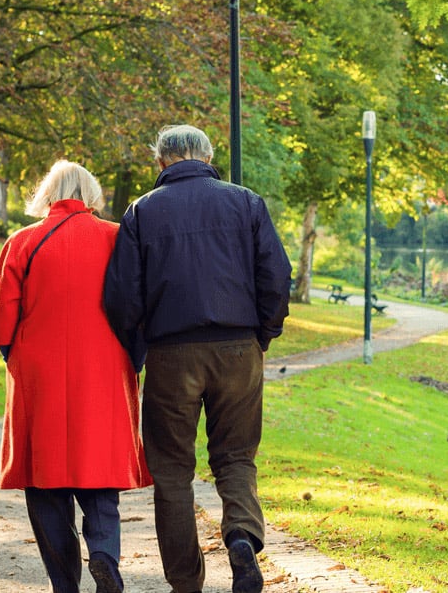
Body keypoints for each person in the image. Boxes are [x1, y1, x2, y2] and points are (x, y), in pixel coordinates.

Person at [103, 125, 292, 593]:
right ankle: (242, 537)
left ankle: (186, 582)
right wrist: (263, 334)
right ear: (208, 157)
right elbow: (276, 275)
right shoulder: (246, 202)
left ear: (160, 162)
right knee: (236, 456)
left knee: (171, 471)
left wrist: (139, 349)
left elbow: (122, 295)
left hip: (171, 353)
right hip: (238, 348)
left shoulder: (142, 211)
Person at [0, 160, 152, 593]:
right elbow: (139, 306)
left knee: (45, 484)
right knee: (101, 477)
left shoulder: (22, 242)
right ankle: (104, 556)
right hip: (105, 373)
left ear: (47, 195)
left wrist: (18, 359)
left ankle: (64, 584)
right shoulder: (117, 238)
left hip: (40, 376)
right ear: (91, 195)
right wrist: (134, 358)